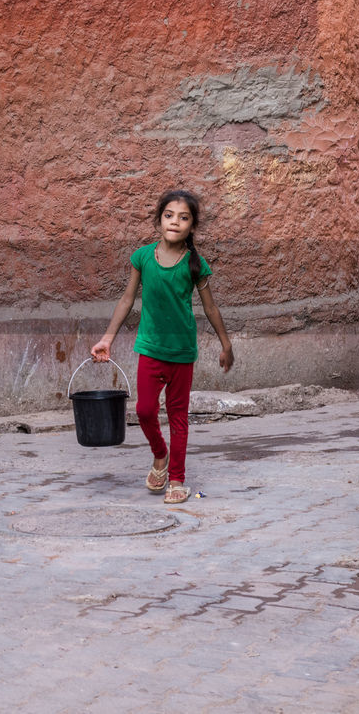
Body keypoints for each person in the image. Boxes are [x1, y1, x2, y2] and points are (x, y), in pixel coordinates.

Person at [90, 190, 233, 504]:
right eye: (169, 215)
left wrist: (226, 344)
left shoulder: (195, 265)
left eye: (184, 218)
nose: (175, 222)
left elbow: (210, 308)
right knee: (144, 411)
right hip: (150, 350)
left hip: (182, 352)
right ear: (158, 220)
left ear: (191, 226)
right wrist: (107, 338)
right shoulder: (142, 257)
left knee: (178, 416)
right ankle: (160, 455)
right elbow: (128, 299)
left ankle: (177, 478)